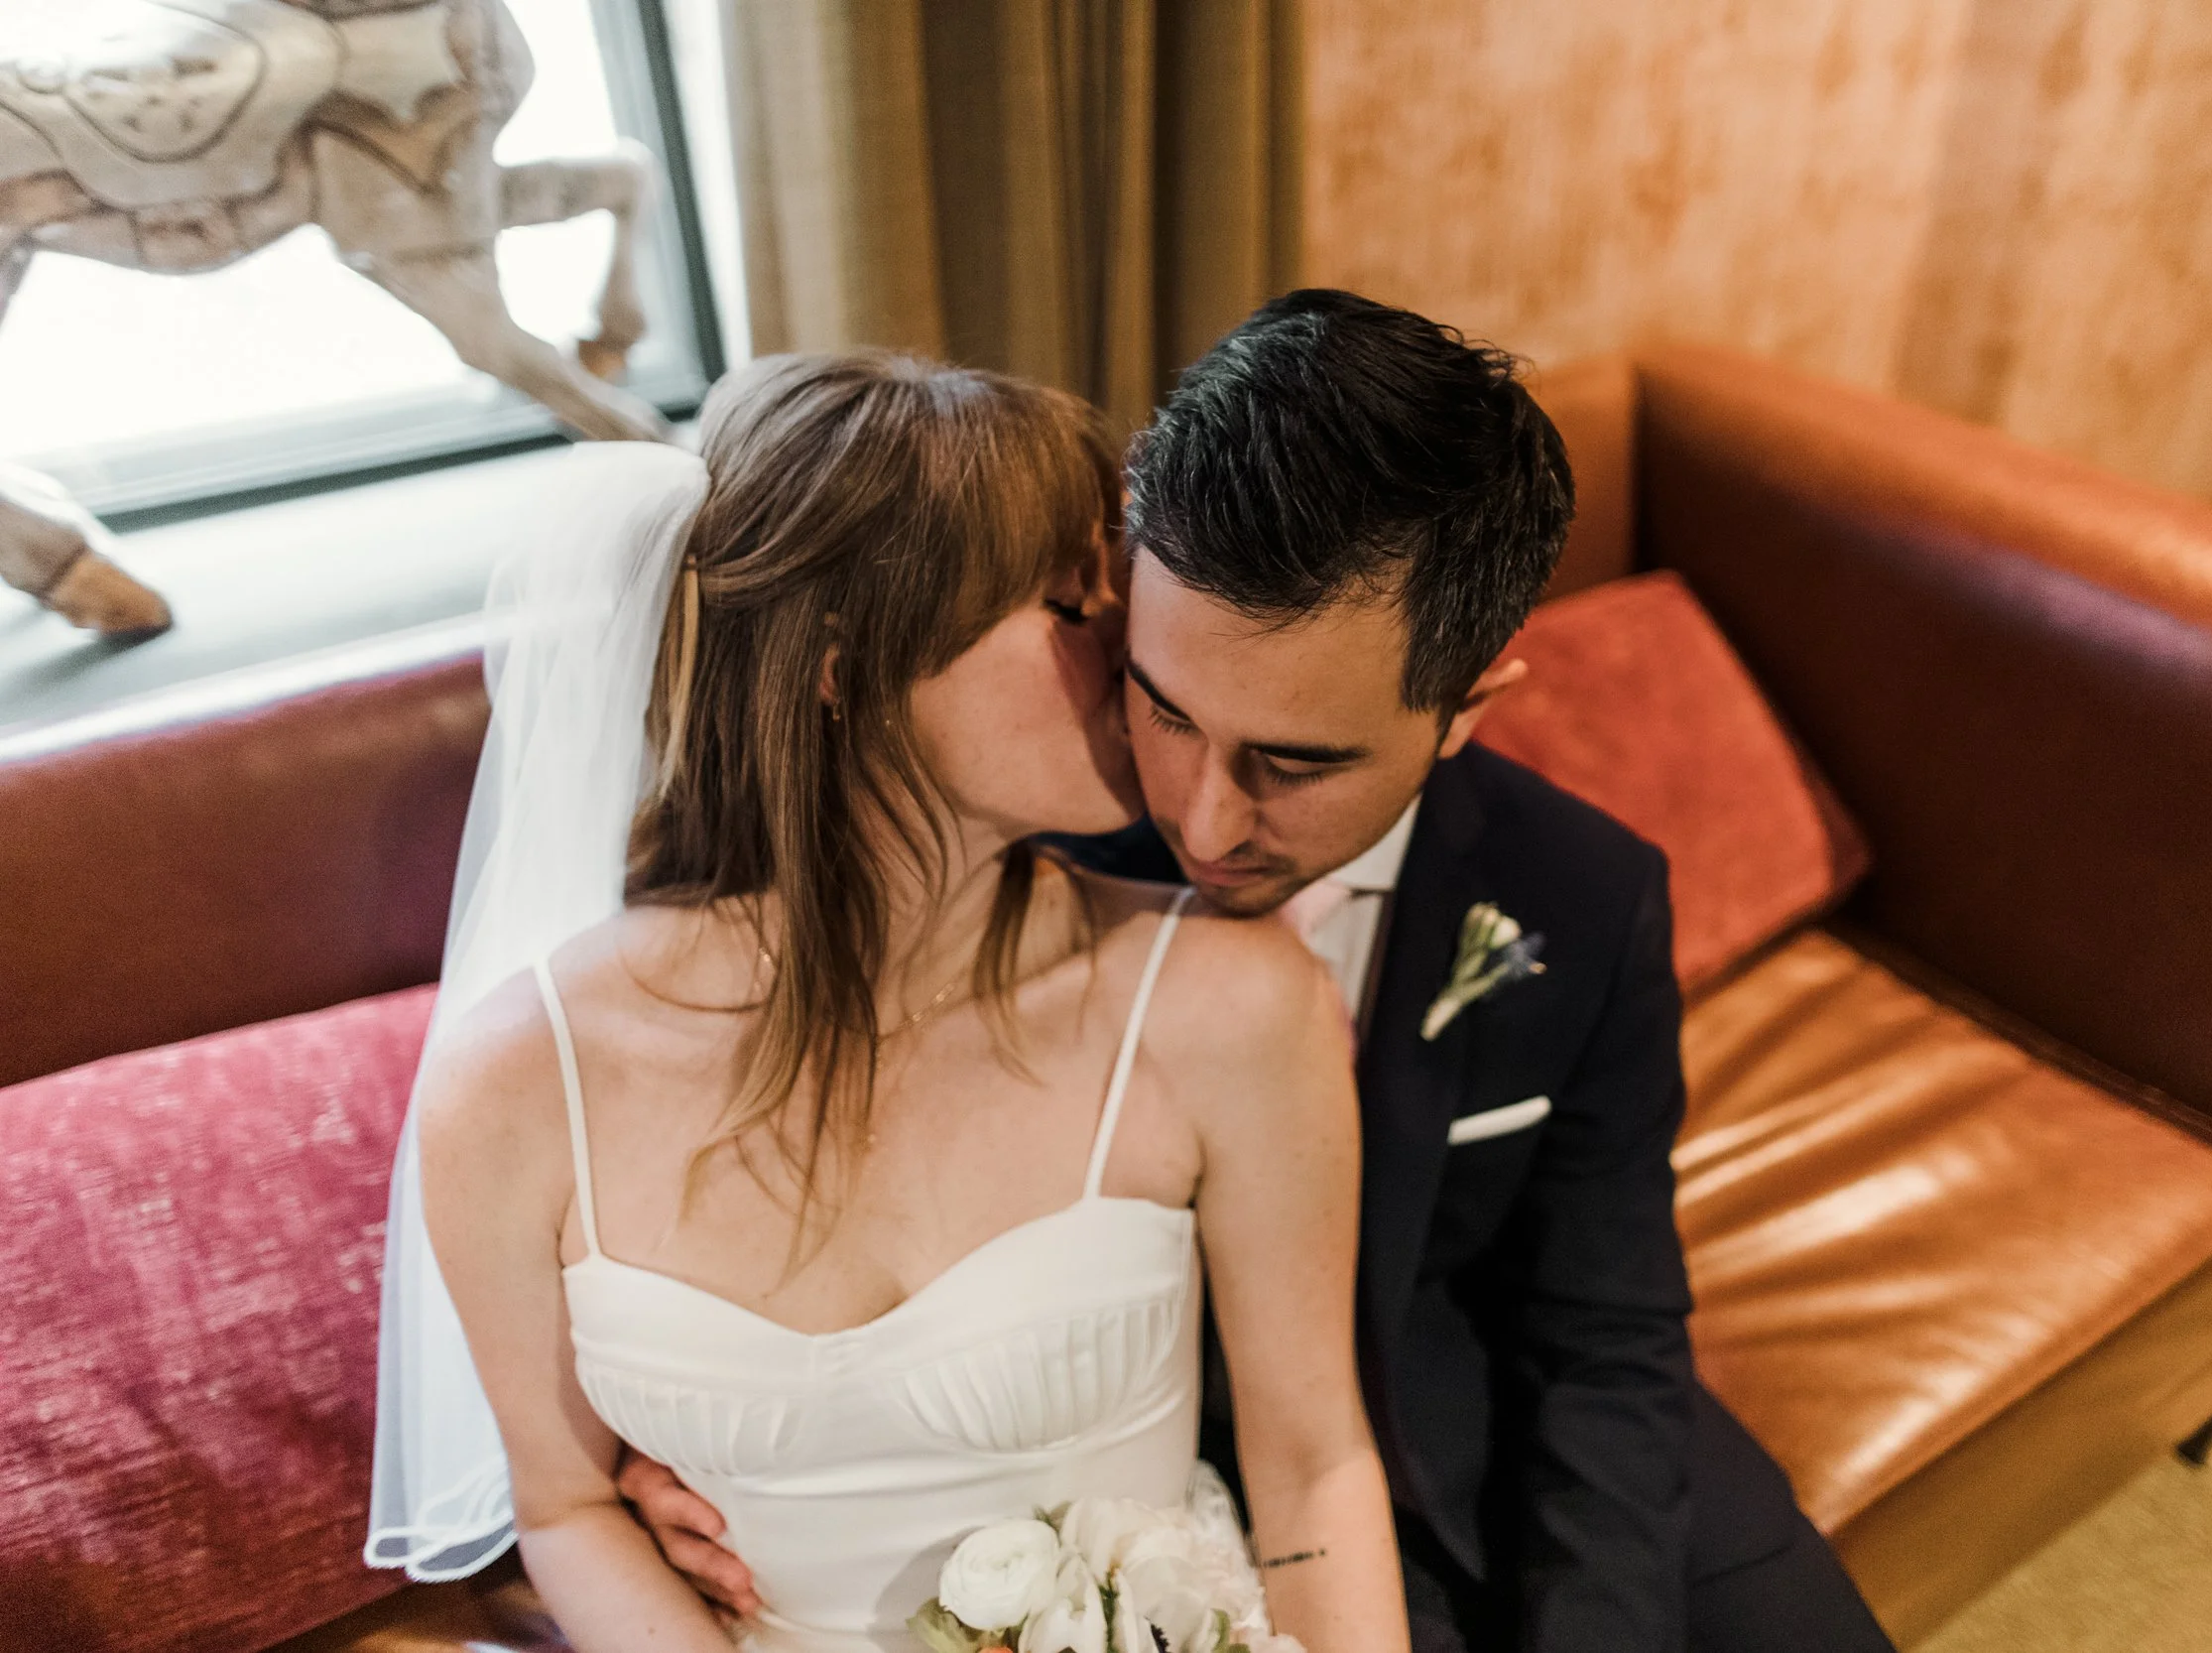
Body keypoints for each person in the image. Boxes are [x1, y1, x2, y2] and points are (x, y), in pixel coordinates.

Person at [624, 293, 1897, 1652]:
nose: (1205, 818)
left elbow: (1604, 1322)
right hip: (1153, 1490)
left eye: (1296, 762)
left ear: (1467, 705)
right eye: (1162, 705)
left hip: (1490, 1423)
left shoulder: (1581, 898)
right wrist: (675, 1444)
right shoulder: (1000, 806)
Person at [365, 351, 1413, 1653]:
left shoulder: (1226, 1000)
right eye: (1070, 605)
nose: (1133, 656)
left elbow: (1316, 1463)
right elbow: (568, 1506)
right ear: (840, 661)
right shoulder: (518, 1085)